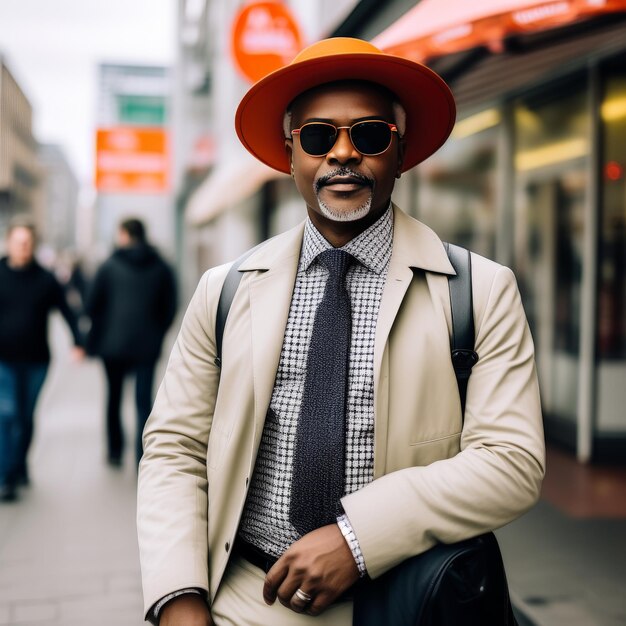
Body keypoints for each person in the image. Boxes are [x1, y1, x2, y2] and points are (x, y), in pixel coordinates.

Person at [137, 38, 545, 625]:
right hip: (244, 602)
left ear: (400, 152)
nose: (345, 154)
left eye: (371, 135)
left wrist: (358, 538)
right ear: (291, 152)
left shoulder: (480, 290)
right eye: (320, 136)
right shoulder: (223, 291)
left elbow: (511, 461)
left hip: (403, 605)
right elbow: (175, 450)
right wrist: (179, 598)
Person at [0, 216, 84, 502]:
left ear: (32, 245)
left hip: (37, 360)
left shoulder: (45, 279)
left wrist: (78, 341)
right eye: (18, 241)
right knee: (7, 413)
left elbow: (66, 309)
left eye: (27, 242)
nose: (23, 246)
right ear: (9, 242)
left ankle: (19, 463)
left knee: (25, 416)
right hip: (4, 360)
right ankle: (6, 475)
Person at [85, 218, 176, 467]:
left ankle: (115, 451)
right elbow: (170, 306)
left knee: (113, 398)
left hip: (112, 345)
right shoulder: (161, 266)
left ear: (124, 235)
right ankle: (142, 456)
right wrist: (157, 332)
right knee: (143, 402)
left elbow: (92, 304)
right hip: (147, 345)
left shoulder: (109, 265)